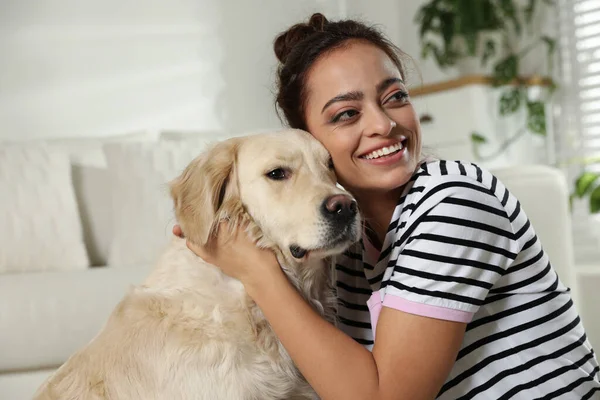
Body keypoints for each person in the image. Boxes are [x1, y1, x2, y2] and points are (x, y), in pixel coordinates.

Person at [173, 13, 600, 399]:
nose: (383, 125)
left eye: (395, 96)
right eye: (346, 114)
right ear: (307, 140)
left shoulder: (453, 199)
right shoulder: (347, 243)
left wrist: (257, 272)